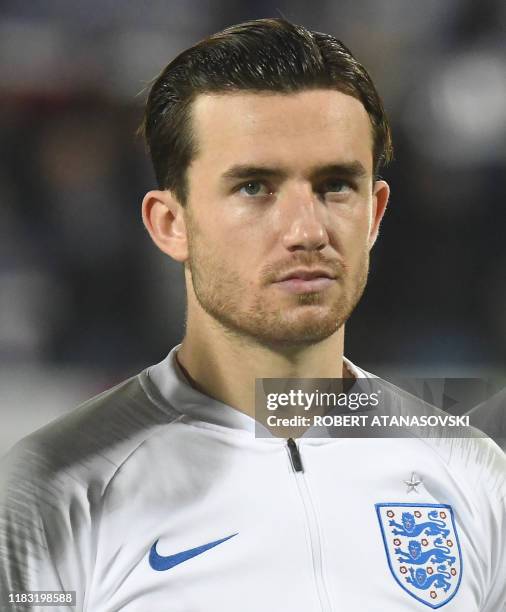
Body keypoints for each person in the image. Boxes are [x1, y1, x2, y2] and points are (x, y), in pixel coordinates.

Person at [1, 18, 504, 612]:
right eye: (254, 187)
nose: (307, 231)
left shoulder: (473, 472)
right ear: (171, 223)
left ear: (375, 213)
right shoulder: (55, 490)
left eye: (336, 184)